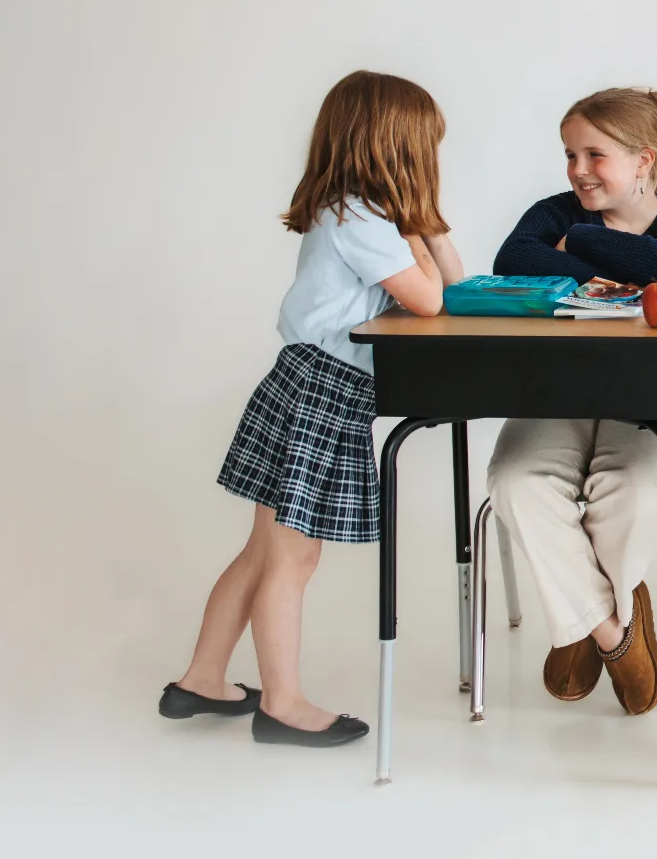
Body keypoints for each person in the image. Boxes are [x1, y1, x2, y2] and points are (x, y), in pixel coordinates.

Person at [162, 71, 462, 746]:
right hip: (322, 389)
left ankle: (202, 679)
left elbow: (456, 288)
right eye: (426, 148)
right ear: (396, 147)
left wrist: (424, 225)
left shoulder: (360, 214)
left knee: (264, 552)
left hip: (306, 382)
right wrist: (428, 224)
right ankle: (284, 704)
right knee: (290, 561)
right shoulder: (359, 216)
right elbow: (434, 299)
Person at [488, 88, 657, 714]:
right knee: (515, 479)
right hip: (557, 393)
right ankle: (609, 631)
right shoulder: (554, 210)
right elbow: (513, 261)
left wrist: (578, 248)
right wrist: (639, 263)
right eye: (570, 155)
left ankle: (578, 622)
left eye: (595, 154)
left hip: (653, 398)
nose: (578, 170)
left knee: (635, 487)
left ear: (644, 161)